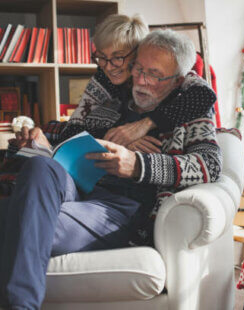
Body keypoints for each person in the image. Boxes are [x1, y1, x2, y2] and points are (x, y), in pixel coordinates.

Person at [0, 29, 222, 310]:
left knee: (16, 216)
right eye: (138, 69)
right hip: (77, 189)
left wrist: (136, 165)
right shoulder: (113, 100)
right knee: (39, 166)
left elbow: (210, 166)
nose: (141, 81)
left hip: (120, 210)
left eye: (154, 75)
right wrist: (36, 137)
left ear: (177, 80)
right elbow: (67, 130)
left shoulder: (191, 112)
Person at [55, 13, 217, 151]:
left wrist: (146, 124)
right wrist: (119, 141)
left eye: (118, 57)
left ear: (138, 52)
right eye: (102, 57)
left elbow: (205, 95)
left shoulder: (172, 75)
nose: (108, 67)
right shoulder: (103, 78)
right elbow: (72, 131)